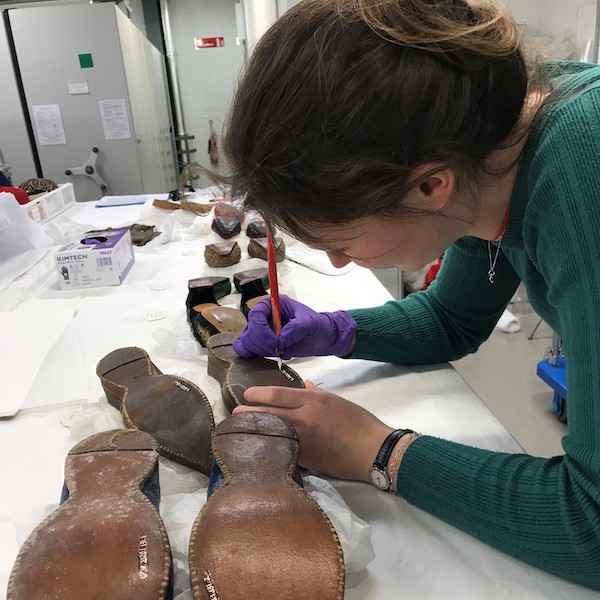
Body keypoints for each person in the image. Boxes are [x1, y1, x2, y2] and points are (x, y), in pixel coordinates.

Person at [213, 0, 600, 589]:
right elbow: (452, 319)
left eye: (339, 240)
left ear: (428, 185)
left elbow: (591, 525)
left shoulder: (583, 174)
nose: (340, 261)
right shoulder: (488, 150)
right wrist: (334, 328)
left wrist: (379, 450)